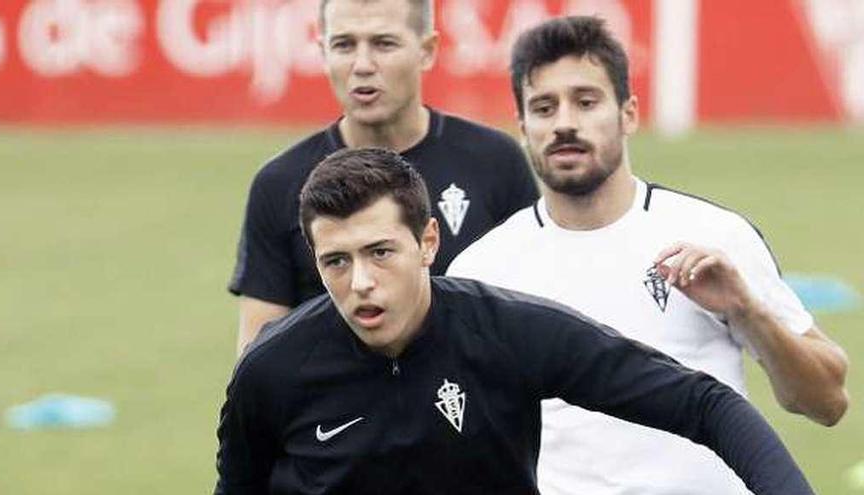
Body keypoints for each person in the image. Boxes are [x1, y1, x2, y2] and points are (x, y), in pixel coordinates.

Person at [214, 147, 814, 495]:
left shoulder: (505, 331)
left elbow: (706, 405)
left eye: (380, 252)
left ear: (427, 243)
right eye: (335, 262)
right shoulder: (273, 369)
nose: (360, 283)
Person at [447, 16, 850, 495]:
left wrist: (747, 312)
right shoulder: (481, 272)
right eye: (544, 107)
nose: (565, 123)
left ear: (629, 114)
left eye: (586, 101)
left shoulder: (715, 236)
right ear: (522, 128)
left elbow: (827, 402)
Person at [227, 0, 539, 355]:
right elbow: (257, 356)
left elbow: (535, 314)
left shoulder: (495, 161)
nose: (362, 65)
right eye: (344, 45)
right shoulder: (280, 183)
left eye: (383, 43)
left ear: (427, 51)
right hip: (336, 408)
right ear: (323, 52)